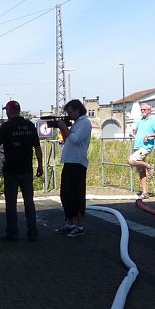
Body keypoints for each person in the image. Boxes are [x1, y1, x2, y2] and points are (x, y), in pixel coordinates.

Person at [0, 100, 44, 242]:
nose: (6, 112)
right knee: (29, 202)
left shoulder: (6, 126)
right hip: (27, 169)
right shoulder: (29, 125)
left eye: (6, 110)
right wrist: (40, 165)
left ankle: (12, 232)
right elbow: (37, 147)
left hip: (11, 170)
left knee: (11, 203)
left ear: (10, 111)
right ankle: (32, 232)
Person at [55, 99, 91, 237]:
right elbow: (68, 140)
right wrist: (63, 129)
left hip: (78, 163)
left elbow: (75, 139)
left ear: (77, 110)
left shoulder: (85, 123)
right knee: (66, 195)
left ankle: (79, 226)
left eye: (70, 112)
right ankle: (70, 223)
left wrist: (64, 127)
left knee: (77, 195)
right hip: (69, 162)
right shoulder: (76, 123)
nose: (69, 115)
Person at [127, 102, 155, 198]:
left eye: (144, 109)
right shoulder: (141, 120)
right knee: (141, 171)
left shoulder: (153, 120)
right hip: (137, 146)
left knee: (131, 160)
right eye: (141, 110)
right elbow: (137, 131)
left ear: (149, 110)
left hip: (145, 147)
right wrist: (134, 131)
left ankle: (149, 166)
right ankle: (145, 192)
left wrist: (149, 135)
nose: (142, 111)